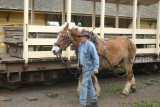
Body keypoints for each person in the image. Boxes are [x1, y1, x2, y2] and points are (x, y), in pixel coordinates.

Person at [77, 31, 99, 107]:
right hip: (83, 68)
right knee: (89, 84)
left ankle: (82, 103)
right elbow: (80, 55)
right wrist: (79, 65)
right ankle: (94, 101)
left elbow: (96, 57)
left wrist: (96, 67)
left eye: (83, 36)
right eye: (80, 36)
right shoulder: (80, 44)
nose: (81, 37)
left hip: (89, 68)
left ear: (86, 37)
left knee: (83, 84)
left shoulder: (90, 45)